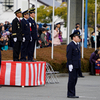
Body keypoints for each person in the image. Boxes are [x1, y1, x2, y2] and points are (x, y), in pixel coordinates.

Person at [66, 30, 81, 98]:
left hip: (76, 64)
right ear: (73, 38)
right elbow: (69, 55)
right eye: (77, 37)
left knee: (75, 79)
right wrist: (70, 64)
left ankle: (73, 93)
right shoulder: (70, 45)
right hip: (72, 64)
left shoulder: (77, 45)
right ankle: (70, 94)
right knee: (72, 79)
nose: (78, 38)